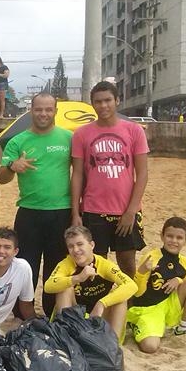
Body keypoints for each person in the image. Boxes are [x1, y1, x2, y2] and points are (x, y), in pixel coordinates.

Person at [0, 92, 72, 318]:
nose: (43, 114)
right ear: (31, 110)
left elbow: (80, 172)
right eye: (39, 109)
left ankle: (51, 311)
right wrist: (12, 166)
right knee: (26, 265)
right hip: (29, 212)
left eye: (48, 109)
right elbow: (2, 178)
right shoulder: (18, 141)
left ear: (56, 111)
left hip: (61, 211)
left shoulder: (68, 138)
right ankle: (23, 313)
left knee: (56, 264)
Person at [70, 79, 149, 279]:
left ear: (117, 101)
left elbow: (142, 174)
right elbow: (77, 173)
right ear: (92, 104)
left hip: (125, 210)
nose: (103, 105)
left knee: (127, 263)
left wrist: (131, 210)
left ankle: (128, 306)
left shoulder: (134, 131)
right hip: (93, 210)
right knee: (95, 264)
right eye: (98, 101)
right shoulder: (81, 134)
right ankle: (99, 307)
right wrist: (75, 212)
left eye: (108, 100)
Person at [128, 217, 186, 353]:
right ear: (162, 236)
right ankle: (135, 323)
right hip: (148, 309)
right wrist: (142, 271)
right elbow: (137, 292)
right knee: (150, 347)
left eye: (179, 238)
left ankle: (184, 328)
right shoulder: (151, 257)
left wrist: (178, 280)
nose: (174, 241)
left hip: (169, 306)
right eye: (169, 236)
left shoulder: (185, 262)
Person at [44, 225, 137, 338]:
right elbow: (48, 286)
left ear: (91, 245)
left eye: (80, 244)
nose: (76, 250)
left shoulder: (104, 265)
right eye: (71, 246)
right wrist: (77, 278)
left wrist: (102, 304)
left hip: (98, 315)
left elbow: (131, 285)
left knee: (120, 297)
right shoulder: (66, 264)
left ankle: (113, 344)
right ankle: (65, 336)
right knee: (65, 289)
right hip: (75, 318)